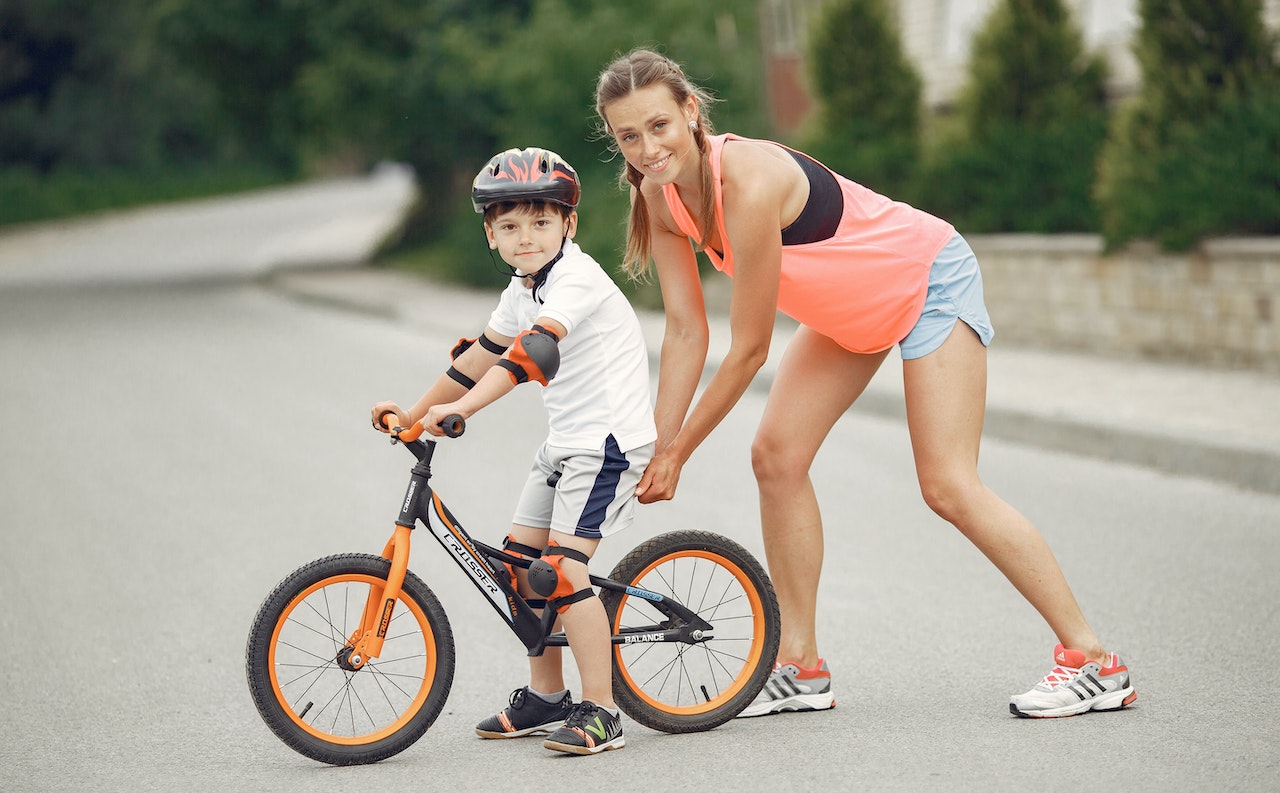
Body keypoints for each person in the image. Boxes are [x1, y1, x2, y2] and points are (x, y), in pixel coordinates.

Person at [592, 49, 1137, 719]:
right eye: (629, 136)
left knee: (948, 484)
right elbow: (684, 332)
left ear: (690, 112)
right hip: (849, 313)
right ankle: (800, 665)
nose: (648, 148)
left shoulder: (751, 182)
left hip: (927, 278)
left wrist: (680, 453)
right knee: (777, 458)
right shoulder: (657, 194)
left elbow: (751, 348)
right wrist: (658, 438)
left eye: (659, 126)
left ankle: (1094, 661)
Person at [371, 147, 656, 753]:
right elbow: (478, 357)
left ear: (568, 225)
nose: (526, 237)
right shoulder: (522, 286)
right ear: (490, 234)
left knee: (563, 572)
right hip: (566, 443)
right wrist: (416, 414)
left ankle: (603, 712)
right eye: (510, 226)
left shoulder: (575, 279)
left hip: (608, 445)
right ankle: (546, 698)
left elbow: (532, 355)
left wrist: (463, 411)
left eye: (540, 222)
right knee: (517, 570)